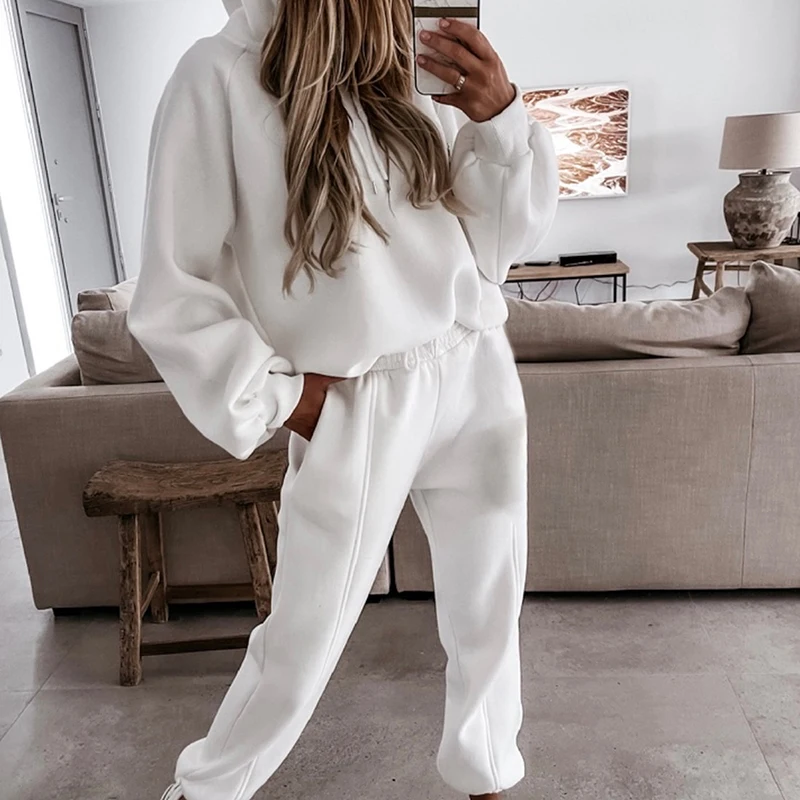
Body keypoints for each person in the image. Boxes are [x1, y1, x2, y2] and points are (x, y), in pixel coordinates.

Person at [126, 0, 559, 798]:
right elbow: (172, 289)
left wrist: (499, 124)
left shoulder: (408, 61)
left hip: (475, 368)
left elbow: (492, 249)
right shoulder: (217, 77)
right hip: (359, 398)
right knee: (303, 636)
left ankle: (488, 774)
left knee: (491, 606)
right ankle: (206, 789)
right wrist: (281, 399)